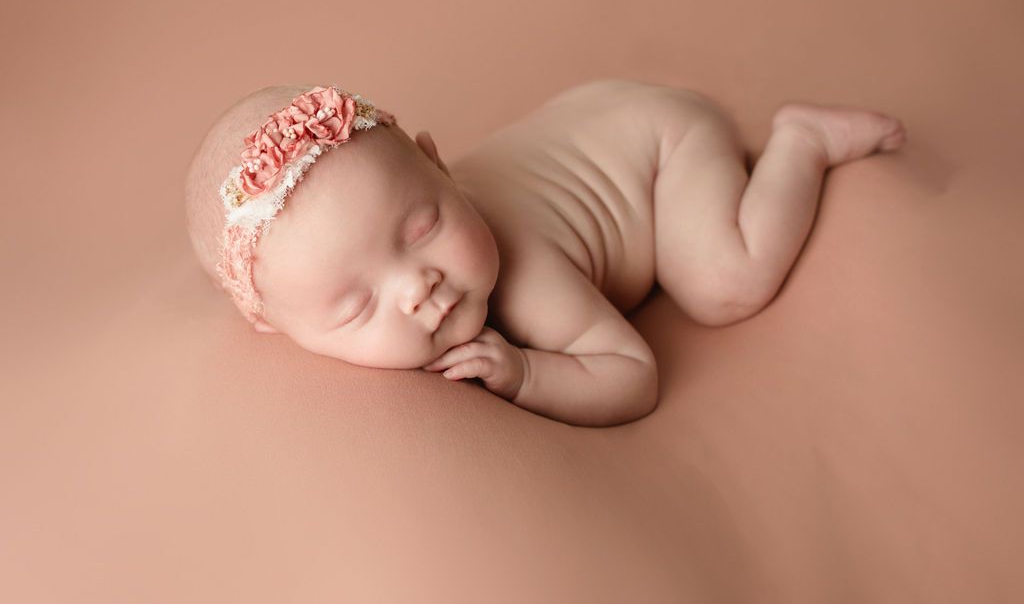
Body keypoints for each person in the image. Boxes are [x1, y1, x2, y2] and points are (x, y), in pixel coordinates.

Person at [184, 80, 906, 427]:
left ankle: (800, 142)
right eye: (356, 305)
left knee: (723, 281)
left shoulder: (526, 275)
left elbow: (633, 374)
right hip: (595, 109)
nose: (419, 286)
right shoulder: (379, 243)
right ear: (276, 327)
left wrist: (528, 372)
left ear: (437, 163)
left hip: (663, 147)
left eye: (423, 227)